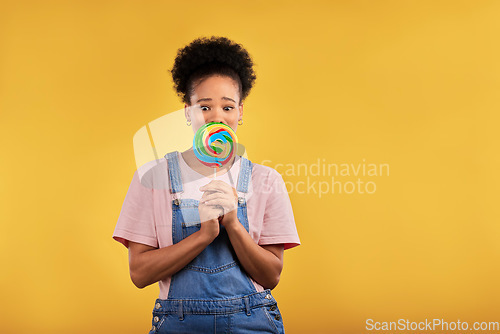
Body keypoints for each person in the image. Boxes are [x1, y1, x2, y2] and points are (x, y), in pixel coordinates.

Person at [113, 36, 300, 334]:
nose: (217, 117)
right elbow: (139, 273)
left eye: (227, 108)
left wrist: (233, 225)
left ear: (240, 112)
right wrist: (204, 235)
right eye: (204, 107)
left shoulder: (266, 180)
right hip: (179, 323)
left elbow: (271, 275)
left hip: (251, 321)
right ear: (187, 111)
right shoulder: (151, 177)